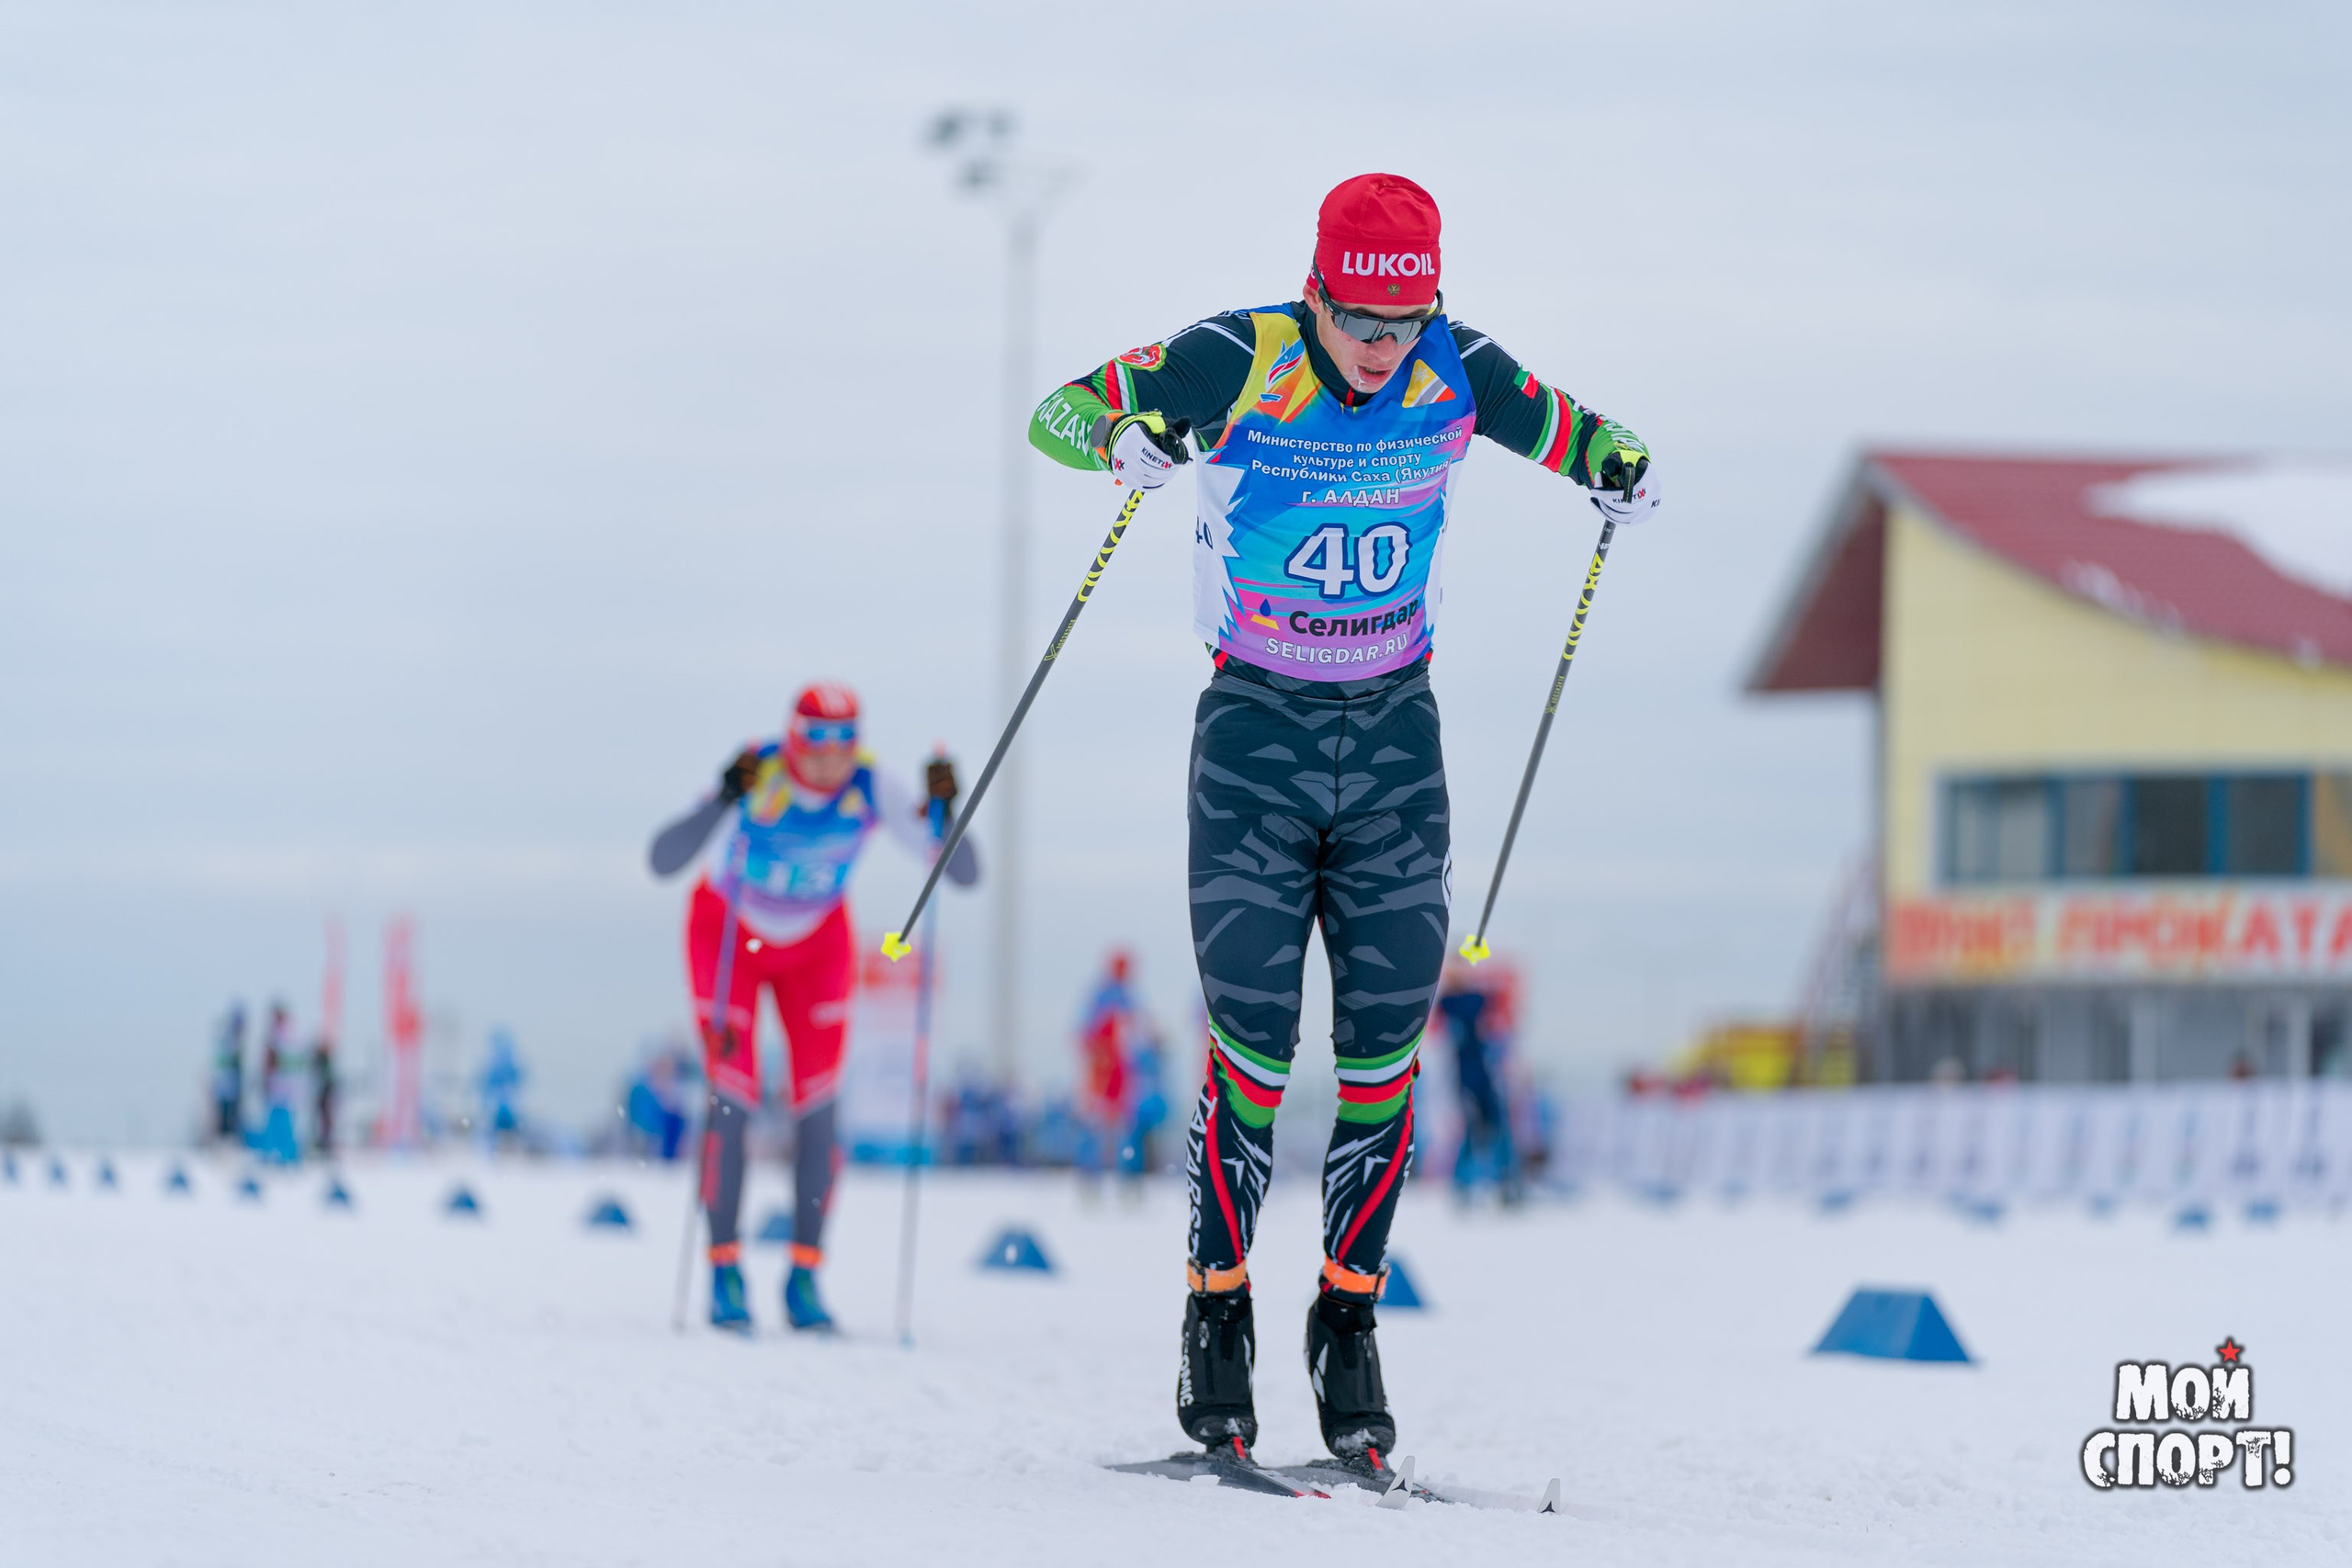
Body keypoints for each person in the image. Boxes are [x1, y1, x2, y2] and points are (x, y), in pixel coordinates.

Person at [1029, 173, 1660, 1464]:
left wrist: (1619, 468)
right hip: (1254, 736)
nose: (1382, 352)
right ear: (1316, 292)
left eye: (1405, 323)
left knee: (1383, 1049)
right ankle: (1218, 1316)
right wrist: (1126, 441)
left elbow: (1577, 430)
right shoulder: (1237, 353)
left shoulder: (1457, 366)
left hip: (1391, 744)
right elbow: (1058, 417)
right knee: (1253, 1047)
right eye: (1362, 324)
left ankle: (1348, 1318)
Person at [650, 682, 977, 1334]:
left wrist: (948, 809)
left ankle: (804, 1276)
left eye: (842, 745)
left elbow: (962, 873)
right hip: (729, 933)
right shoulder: (758, 769)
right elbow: (665, 859)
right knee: (731, 1098)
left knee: (818, 1105)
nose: (828, 761)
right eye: (814, 744)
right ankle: (725, 1270)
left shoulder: (870, 786)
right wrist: (721, 798)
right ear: (792, 740)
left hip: (816, 944)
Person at [1434, 958, 1522, 1205]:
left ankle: (1505, 1184)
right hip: (1467, 1076)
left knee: (1498, 1129)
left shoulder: (1468, 998)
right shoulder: (1454, 1001)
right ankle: (1465, 1186)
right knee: (1473, 1132)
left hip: (1483, 1074)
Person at [211, 1002, 247, 1145]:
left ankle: (229, 1142)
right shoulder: (228, 1039)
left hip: (232, 1088)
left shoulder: (235, 1039)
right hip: (225, 1089)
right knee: (225, 1120)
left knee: (232, 1119)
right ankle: (223, 1145)